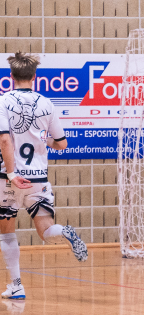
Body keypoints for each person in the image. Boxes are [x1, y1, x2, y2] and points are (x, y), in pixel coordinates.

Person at [0, 52, 88, 300]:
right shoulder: (47, 103)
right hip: (38, 178)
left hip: (9, 179)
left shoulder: (3, 101)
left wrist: (11, 174)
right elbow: (62, 144)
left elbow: (5, 140)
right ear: (35, 77)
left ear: (11, 76)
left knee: (6, 232)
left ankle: (16, 285)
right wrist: (42, 137)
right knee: (46, 230)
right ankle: (64, 231)